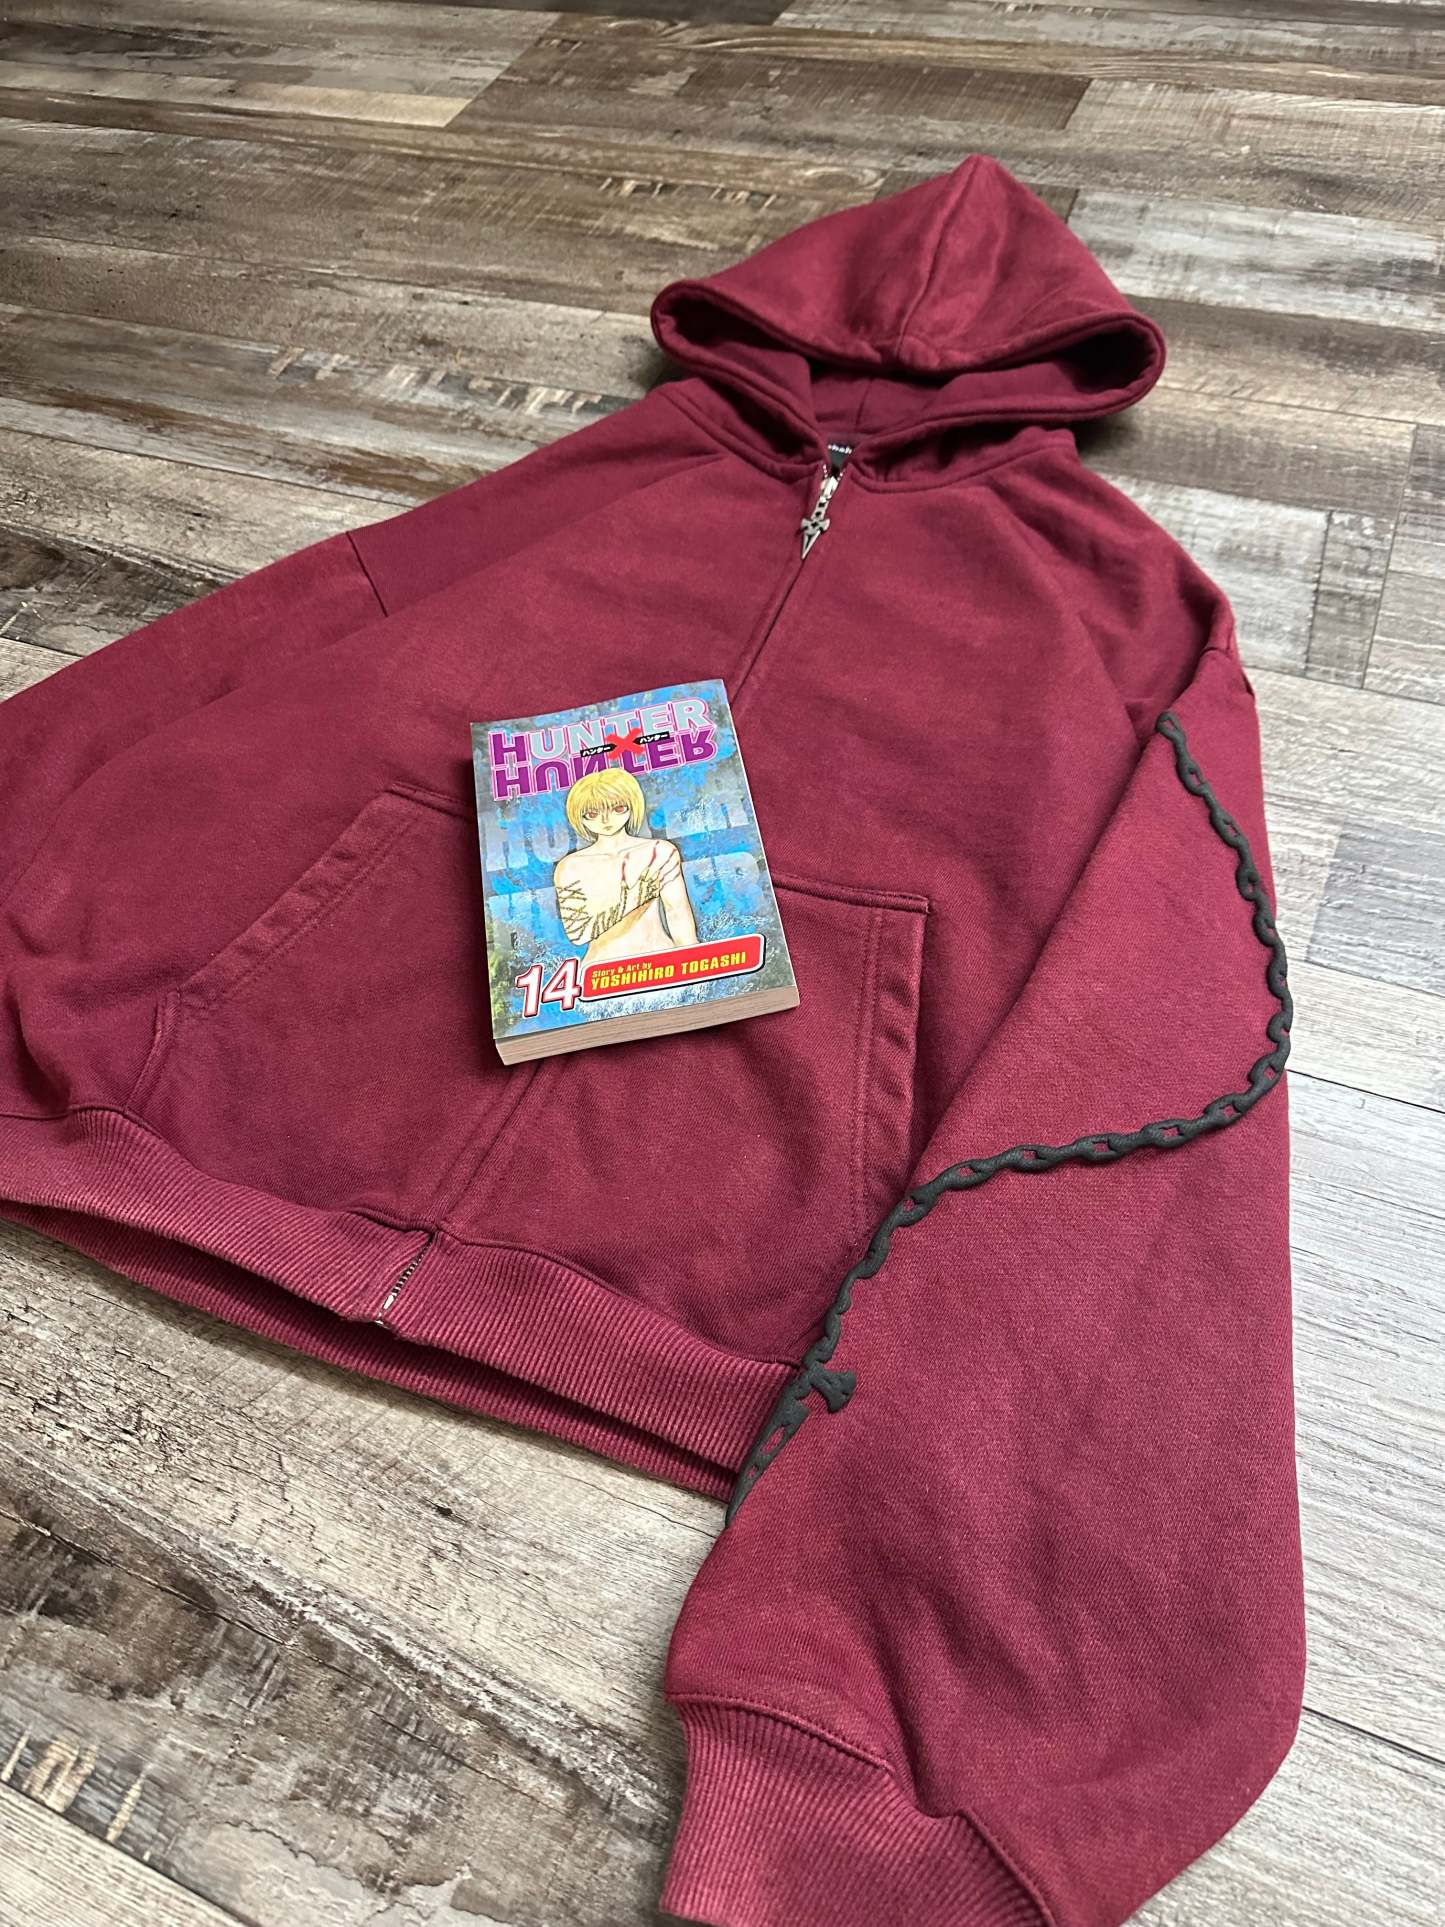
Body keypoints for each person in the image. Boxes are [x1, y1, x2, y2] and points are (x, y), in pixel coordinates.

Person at [554, 769, 697, 966]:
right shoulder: (570, 866)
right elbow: (578, 933)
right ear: (580, 816)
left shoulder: (659, 851)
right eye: (593, 814)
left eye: (618, 808)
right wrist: (636, 896)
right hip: (603, 969)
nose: (605, 820)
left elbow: (677, 912)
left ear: (632, 805)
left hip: (660, 958)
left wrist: (693, 962)